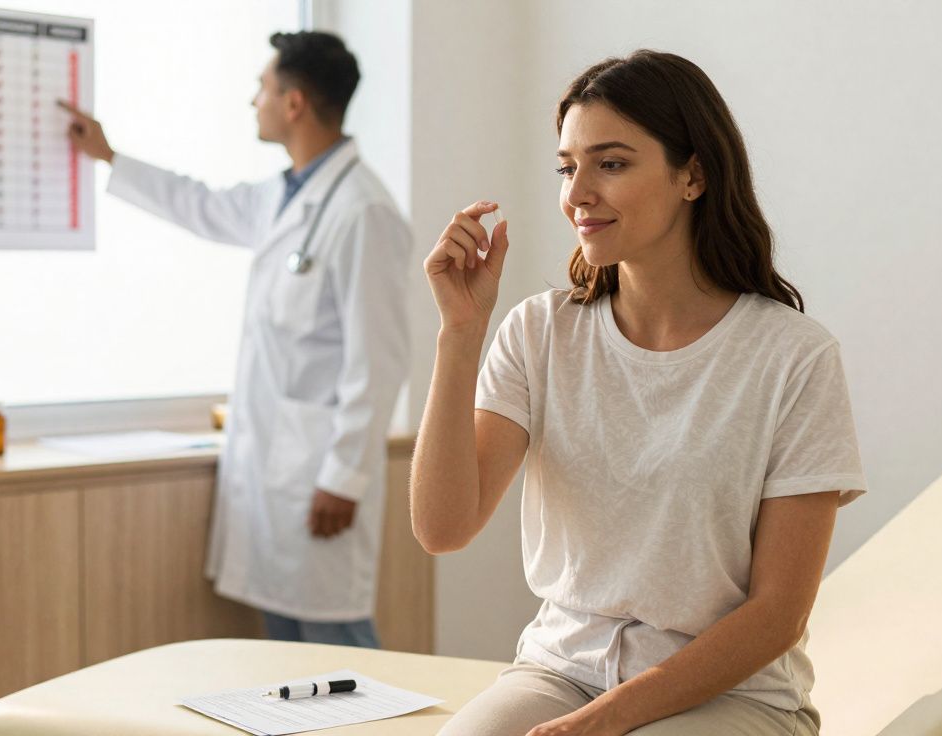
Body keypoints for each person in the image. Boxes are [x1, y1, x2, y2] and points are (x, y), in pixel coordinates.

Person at [412, 50, 867, 735]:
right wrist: (460, 333)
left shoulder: (793, 358)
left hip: (733, 696)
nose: (577, 193)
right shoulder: (539, 333)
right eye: (568, 167)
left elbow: (779, 614)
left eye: (612, 163)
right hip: (561, 671)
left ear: (694, 174)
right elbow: (443, 528)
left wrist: (606, 722)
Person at [61, 31, 410, 648]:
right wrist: (110, 157)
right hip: (276, 468)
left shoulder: (363, 212)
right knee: (285, 650)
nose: (255, 101)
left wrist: (344, 477)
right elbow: (199, 205)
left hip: (319, 475)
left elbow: (377, 360)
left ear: (294, 102)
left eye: (263, 88)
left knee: (340, 650)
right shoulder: (283, 195)